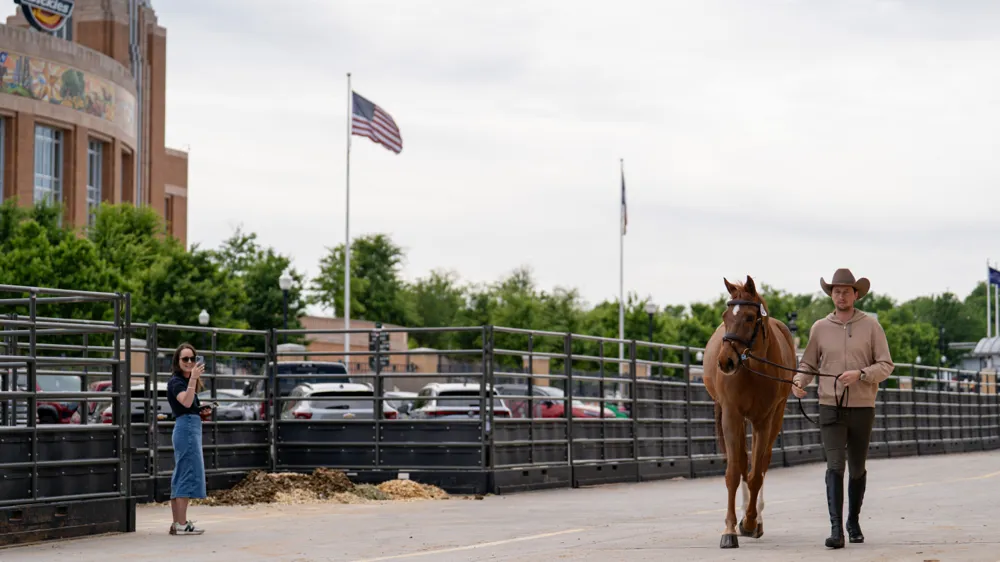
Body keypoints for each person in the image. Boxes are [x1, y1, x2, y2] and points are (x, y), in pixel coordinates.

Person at [791, 268, 894, 549]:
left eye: (846, 291)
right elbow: (808, 364)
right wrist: (798, 380)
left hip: (862, 407)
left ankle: (853, 521)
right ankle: (836, 530)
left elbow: (886, 365)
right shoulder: (819, 328)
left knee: (857, 468)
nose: (841, 295)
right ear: (831, 294)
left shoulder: (872, 327)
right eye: (836, 291)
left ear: (856, 294)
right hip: (829, 406)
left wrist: (860, 374)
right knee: (835, 465)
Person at [166, 343, 212, 536]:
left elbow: (188, 405)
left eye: (192, 358)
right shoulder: (177, 382)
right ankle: (182, 524)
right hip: (186, 430)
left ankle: (177, 523)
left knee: (181, 473)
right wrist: (193, 378)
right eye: (185, 359)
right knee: (186, 473)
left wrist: (200, 411)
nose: (189, 362)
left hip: (189, 426)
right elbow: (184, 401)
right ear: (177, 361)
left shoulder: (185, 382)